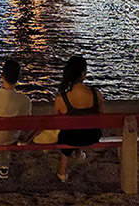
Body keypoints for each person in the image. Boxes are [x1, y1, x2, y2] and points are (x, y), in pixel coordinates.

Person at [54, 55, 105, 183]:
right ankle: (78, 153)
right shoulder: (96, 94)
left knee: (67, 132)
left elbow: (57, 121)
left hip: (70, 137)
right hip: (92, 136)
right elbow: (101, 115)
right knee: (76, 128)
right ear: (83, 74)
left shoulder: (61, 98)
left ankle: (63, 172)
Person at [0, 59, 32, 179]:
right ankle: (4, 166)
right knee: (7, 132)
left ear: (1, 76)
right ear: (18, 78)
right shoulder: (25, 101)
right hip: (11, 138)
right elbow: (27, 121)